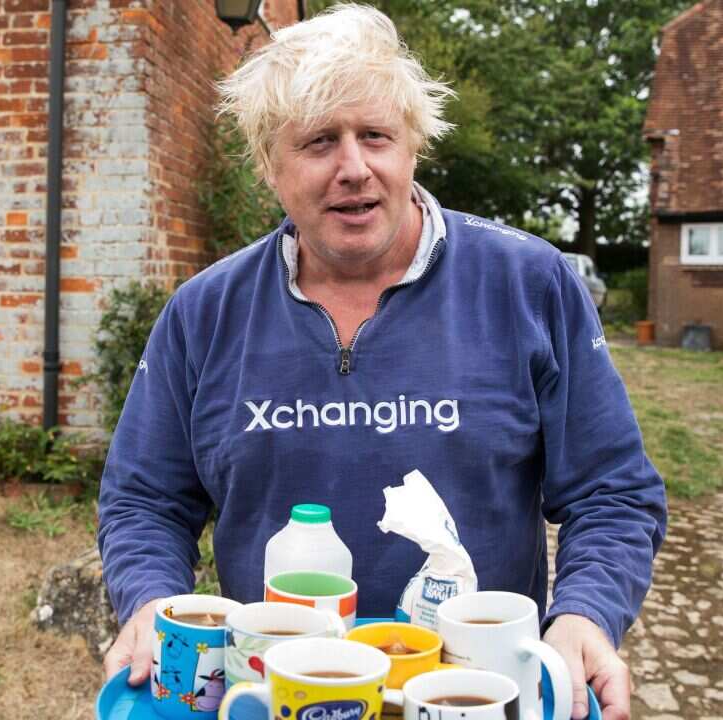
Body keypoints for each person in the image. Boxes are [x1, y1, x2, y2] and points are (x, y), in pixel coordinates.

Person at [97, 5, 666, 720]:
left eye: (375, 136)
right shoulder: (203, 313)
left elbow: (611, 491)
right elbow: (145, 498)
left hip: (474, 692)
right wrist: (151, 598)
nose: (354, 168)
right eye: (318, 142)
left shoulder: (529, 284)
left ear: (413, 147)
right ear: (270, 165)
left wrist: (586, 614)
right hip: (272, 694)